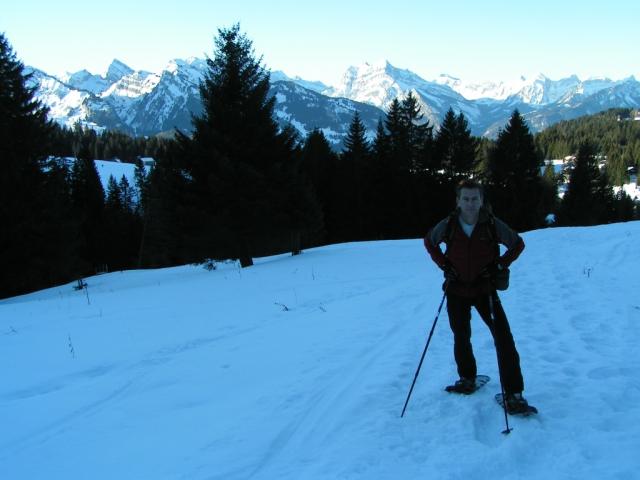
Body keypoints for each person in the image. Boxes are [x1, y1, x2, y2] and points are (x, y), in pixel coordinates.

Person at [424, 179, 530, 413]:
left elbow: (517, 244)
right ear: (458, 201)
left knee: (503, 338)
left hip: (485, 290)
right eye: (466, 199)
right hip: (456, 290)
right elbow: (429, 242)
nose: (470, 204)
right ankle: (467, 378)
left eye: (475, 199)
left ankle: (514, 393)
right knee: (461, 336)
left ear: (482, 200)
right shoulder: (449, 224)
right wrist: (444, 264)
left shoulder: (492, 224)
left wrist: (500, 265)